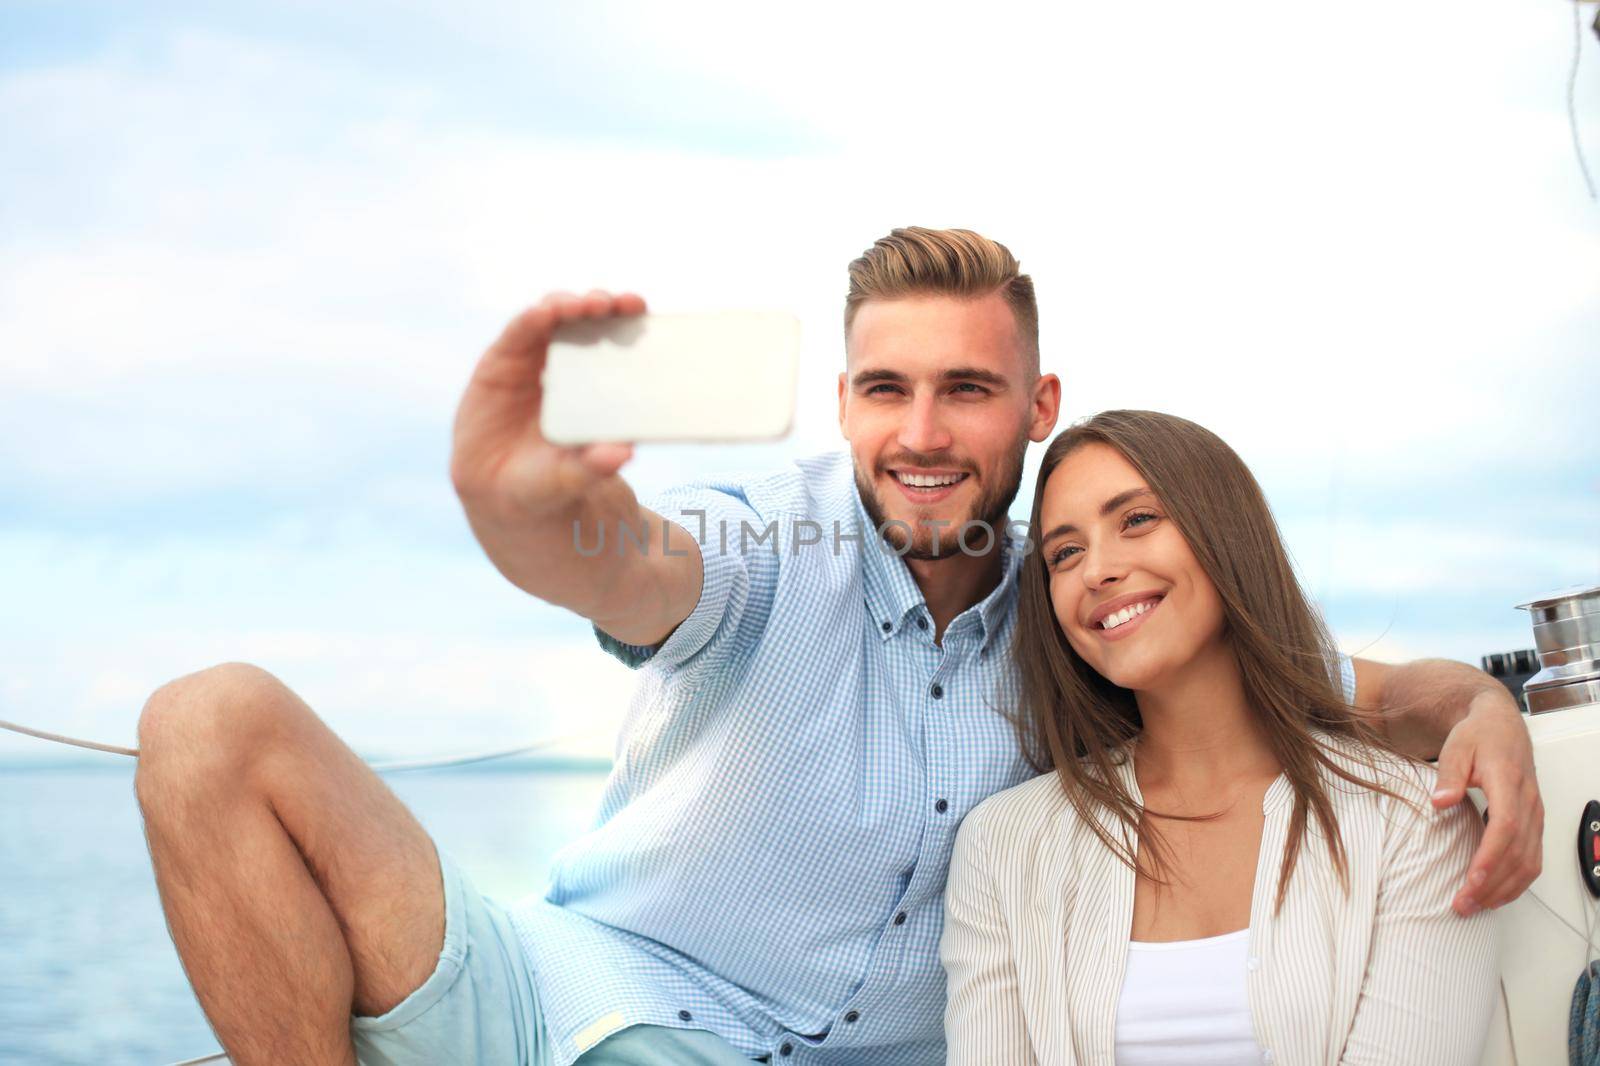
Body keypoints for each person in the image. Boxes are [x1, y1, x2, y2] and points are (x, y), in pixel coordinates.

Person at [131, 228, 1539, 1066]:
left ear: (1036, 400)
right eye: (887, 388)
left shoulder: (1085, 617)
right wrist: (522, 504)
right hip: (593, 998)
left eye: (967, 389)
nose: (922, 432)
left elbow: (1321, 686)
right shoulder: (767, 540)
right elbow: (626, 564)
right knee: (208, 720)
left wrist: (1475, 696)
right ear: (845, 397)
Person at [941, 410, 1500, 1065]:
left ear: (1226, 533)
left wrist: (1486, 701)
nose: (1097, 570)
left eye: (1137, 519)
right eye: (1065, 552)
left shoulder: (1413, 821)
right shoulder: (1003, 847)